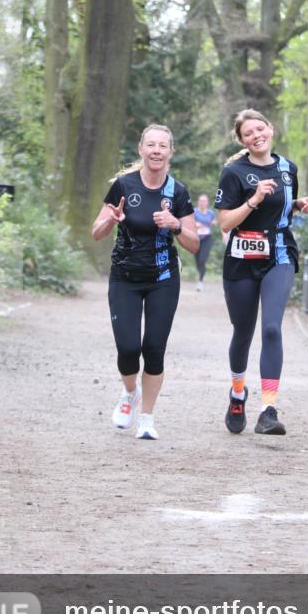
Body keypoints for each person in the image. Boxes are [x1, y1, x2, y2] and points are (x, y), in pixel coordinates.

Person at [91, 124, 199, 440]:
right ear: (141, 149)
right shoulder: (123, 186)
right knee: (127, 349)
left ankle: (147, 419)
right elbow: (96, 232)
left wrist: (176, 225)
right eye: (150, 144)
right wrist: (111, 218)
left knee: (153, 349)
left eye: (162, 145)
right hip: (124, 277)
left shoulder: (177, 192)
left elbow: (194, 245)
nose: (156, 150)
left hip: (163, 279)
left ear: (170, 152)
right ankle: (129, 393)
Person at [215, 109, 308, 436]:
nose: (256, 135)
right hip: (241, 260)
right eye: (248, 133)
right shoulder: (234, 172)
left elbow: (282, 206)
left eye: (260, 128)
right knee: (243, 332)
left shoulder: (288, 168)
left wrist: (298, 204)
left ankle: (268, 410)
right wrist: (254, 200)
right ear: (242, 141)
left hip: (280, 255)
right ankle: (238, 393)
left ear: (270, 129)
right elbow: (226, 222)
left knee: (271, 328)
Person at [193, 194, 217, 291]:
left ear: (207, 202)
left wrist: (213, 223)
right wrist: (195, 224)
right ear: (198, 202)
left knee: (203, 259)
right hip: (196, 238)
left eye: (204, 201)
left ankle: (200, 281)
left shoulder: (210, 213)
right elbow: (189, 222)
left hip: (207, 238)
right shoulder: (194, 212)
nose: (202, 203)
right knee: (198, 261)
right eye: (201, 201)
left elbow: (215, 221)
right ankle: (200, 274)